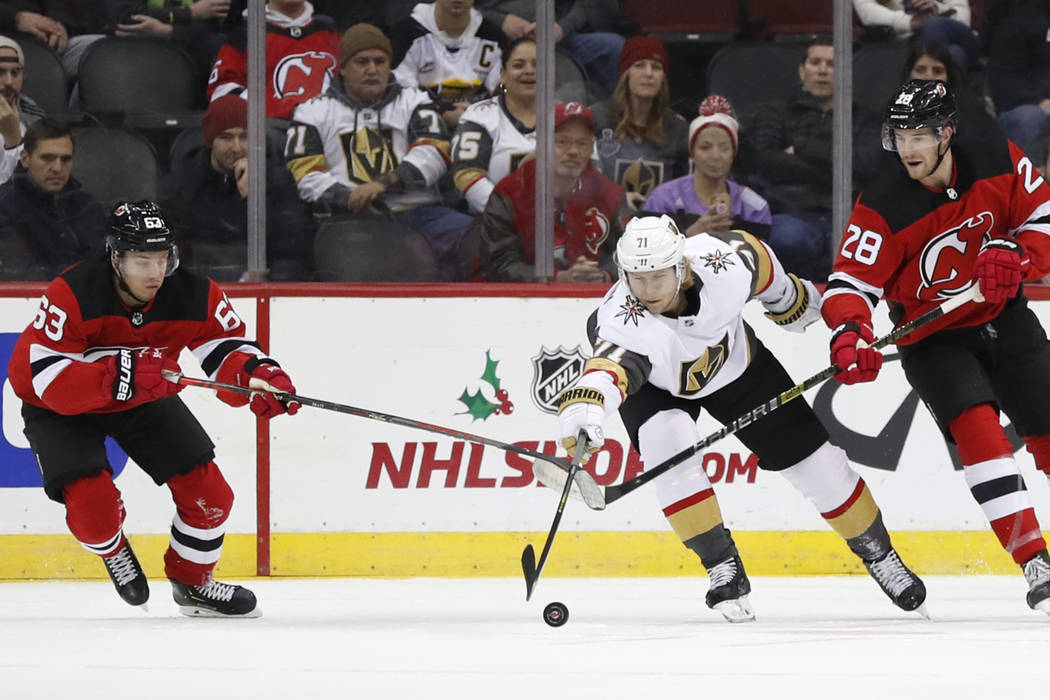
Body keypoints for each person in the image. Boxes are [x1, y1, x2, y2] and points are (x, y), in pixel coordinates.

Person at [554, 214, 926, 621]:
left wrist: (788, 301)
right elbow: (608, 372)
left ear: (681, 266)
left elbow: (762, 263)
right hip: (656, 387)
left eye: (658, 276)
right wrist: (583, 413)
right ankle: (721, 567)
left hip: (738, 368)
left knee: (820, 466)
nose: (646, 290)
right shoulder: (623, 320)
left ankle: (881, 556)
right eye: (636, 278)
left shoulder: (725, 262)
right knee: (668, 441)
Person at [821, 79, 1050, 615]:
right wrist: (849, 331)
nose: (907, 149)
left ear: (946, 133)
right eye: (899, 136)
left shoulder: (997, 156)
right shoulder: (883, 203)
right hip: (933, 339)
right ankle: (1035, 561)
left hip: (1004, 318)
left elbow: (1043, 221)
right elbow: (849, 285)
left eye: (919, 135)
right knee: (978, 432)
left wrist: (1018, 258)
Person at [6, 200, 300, 617]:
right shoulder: (73, 293)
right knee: (95, 512)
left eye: (162, 258)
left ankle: (194, 585)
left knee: (211, 495)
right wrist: (117, 374)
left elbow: (227, 346)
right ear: (115, 256)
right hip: (63, 408)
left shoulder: (193, 293)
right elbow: (46, 379)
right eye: (142, 260)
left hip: (141, 397)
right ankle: (112, 547)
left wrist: (256, 375)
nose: (156, 273)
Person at [286, 22, 472, 279]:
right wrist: (350, 198)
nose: (372, 70)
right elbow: (307, 175)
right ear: (342, 68)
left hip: (419, 212)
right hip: (350, 220)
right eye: (362, 62)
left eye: (380, 61)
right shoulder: (313, 111)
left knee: (473, 236)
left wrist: (383, 184)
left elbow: (435, 151)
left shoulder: (415, 101)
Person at [741, 35, 882, 282]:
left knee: (866, 245)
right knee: (788, 239)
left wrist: (803, 149)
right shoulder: (774, 113)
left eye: (832, 64)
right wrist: (834, 164)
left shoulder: (865, 119)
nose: (823, 71)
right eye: (815, 62)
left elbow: (868, 164)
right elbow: (766, 163)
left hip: (849, 214)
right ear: (802, 70)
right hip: (792, 211)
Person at [160, 95, 311, 281]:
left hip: (261, 293)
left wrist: (254, 198)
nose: (237, 147)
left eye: (245, 137)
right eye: (226, 137)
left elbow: (292, 251)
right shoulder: (182, 184)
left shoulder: (278, 180)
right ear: (210, 140)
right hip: (199, 289)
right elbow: (171, 254)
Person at [477, 101, 624, 282]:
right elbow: (498, 265)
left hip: (591, 301)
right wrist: (555, 279)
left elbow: (629, 254)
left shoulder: (608, 194)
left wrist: (604, 275)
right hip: (518, 304)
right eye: (562, 141)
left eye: (583, 143)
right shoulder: (509, 193)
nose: (573, 151)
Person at [642, 94, 771, 240]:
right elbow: (650, 256)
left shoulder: (754, 208)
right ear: (692, 153)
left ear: (733, 154)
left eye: (724, 148)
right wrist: (690, 234)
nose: (715, 156)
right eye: (705, 147)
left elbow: (760, 259)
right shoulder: (663, 199)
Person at [590, 35, 688, 212]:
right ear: (625, 73)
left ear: (663, 78)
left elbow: (686, 189)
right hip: (604, 221)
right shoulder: (596, 117)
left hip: (659, 228)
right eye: (639, 65)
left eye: (656, 67)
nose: (648, 73)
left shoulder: (677, 128)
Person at [0, 118, 105, 280]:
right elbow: (18, 274)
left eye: (65, 159)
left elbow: (102, 268)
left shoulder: (88, 207)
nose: (57, 168)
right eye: (47, 158)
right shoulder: (4, 206)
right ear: (25, 158)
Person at [208, 0, 339, 120]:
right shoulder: (243, 36)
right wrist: (289, 110)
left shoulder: (332, 32)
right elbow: (223, 95)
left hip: (333, 129)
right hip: (270, 133)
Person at [450, 36, 535, 213]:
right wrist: (510, 213)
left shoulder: (568, 116)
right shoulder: (480, 116)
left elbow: (591, 174)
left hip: (557, 226)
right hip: (494, 226)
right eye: (519, 65)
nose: (529, 71)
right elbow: (466, 175)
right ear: (502, 75)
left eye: (537, 65)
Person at [475, 0, 624, 101]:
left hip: (556, 37)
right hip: (495, 38)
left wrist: (562, 27)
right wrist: (501, 21)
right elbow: (461, 6)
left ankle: (608, 123)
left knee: (614, 47)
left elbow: (585, 3)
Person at [390, 0, 505, 128]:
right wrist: (441, 114)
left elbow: (504, 92)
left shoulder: (494, 37)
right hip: (421, 124)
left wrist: (474, 114)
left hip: (480, 123)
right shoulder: (406, 34)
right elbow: (401, 93)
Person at [987, 0, 1050, 160]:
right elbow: (1004, 79)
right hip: (1026, 107)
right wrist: (1039, 101)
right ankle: (1025, 182)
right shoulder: (1021, 21)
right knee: (1029, 118)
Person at [852, 0, 979, 73]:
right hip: (904, 40)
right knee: (955, 55)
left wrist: (937, 8)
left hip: (952, 32)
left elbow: (962, 18)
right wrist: (909, 22)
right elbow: (867, 13)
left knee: (934, 26)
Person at [0, 35, 46, 185]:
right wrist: (13, 140)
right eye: (0, 72)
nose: (8, 82)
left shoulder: (35, 118)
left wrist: (14, 140)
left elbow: (35, 186)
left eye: (15, 72)